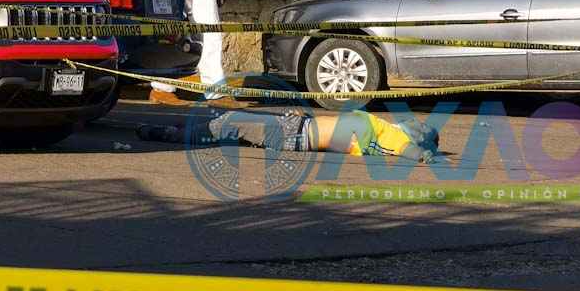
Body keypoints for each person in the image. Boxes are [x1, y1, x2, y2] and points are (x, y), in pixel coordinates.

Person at [136, 109, 442, 163]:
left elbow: (407, 150)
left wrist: (426, 155)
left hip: (293, 134)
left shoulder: (389, 137)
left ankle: (162, 133)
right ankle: (176, 131)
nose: (410, 123)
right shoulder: (382, 130)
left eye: (415, 127)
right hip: (295, 127)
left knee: (227, 124)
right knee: (226, 127)